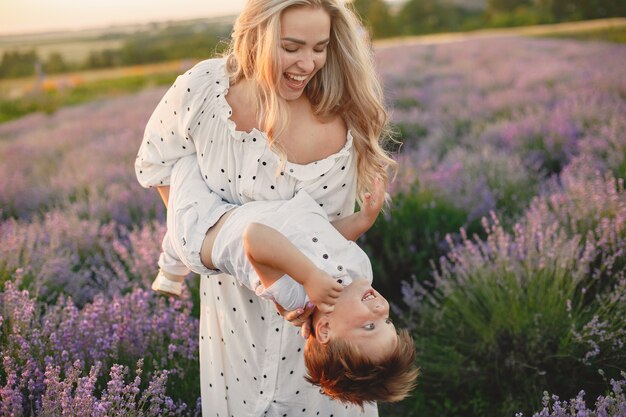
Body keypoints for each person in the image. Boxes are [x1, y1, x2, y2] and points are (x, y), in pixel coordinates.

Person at [135, 0, 399, 414]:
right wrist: (207, 232)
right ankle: (173, 264)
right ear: (255, 36)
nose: (308, 63)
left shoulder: (337, 113)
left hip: (314, 341)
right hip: (232, 316)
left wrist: (358, 223)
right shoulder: (203, 90)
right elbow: (160, 159)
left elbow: (321, 233)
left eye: (319, 47)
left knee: (326, 397)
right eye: (291, 47)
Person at [153, 155, 418, 406]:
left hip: (201, 232)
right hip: (232, 209)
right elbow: (325, 239)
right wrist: (363, 220)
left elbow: (255, 237)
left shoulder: (296, 296)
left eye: (370, 326)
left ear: (325, 330)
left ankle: (171, 268)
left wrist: (310, 276)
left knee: (179, 163)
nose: (382, 309)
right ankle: (171, 263)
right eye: (387, 322)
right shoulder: (359, 275)